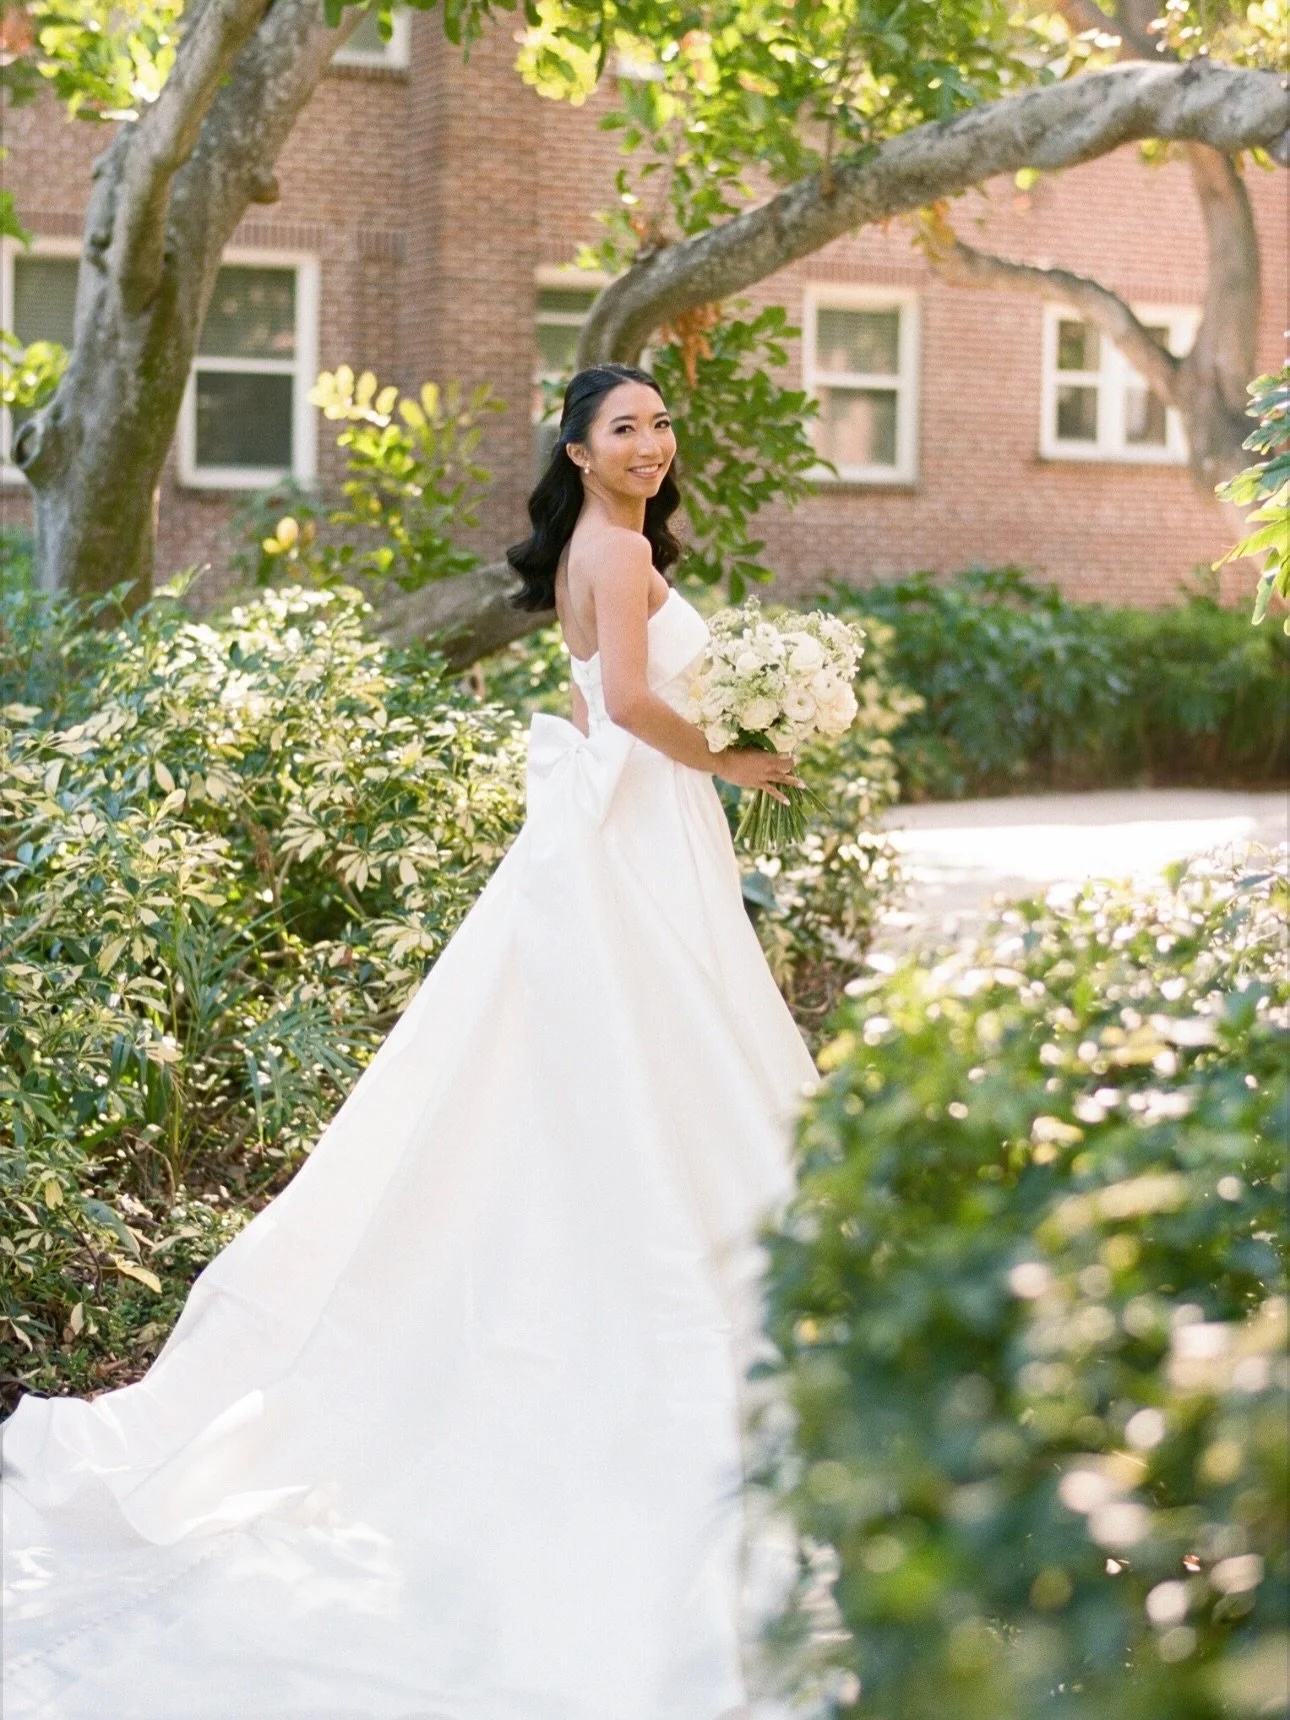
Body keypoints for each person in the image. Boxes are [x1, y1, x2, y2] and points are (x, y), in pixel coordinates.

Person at [2, 362, 819, 1719]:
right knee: (653, 1059)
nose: (653, 444)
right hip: (645, 828)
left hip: (628, 834)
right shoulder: (613, 554)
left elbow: (583, 707)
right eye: (628, 428)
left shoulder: (600, 551)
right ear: (576, 446)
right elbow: (619, 705)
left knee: (597, 1072)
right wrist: (738, 752)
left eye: (663, 426)